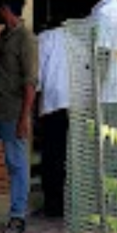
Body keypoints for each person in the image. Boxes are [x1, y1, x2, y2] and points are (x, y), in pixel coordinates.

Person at [0, 0, 38, 233]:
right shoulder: (3, 36)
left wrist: (25, 116)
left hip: (13, 111)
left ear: (5, 9)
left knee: (16, 164)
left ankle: (18, 215)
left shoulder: (25, 38)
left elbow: (30, 82)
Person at [36, 21, 70, 219]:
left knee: (52, 156)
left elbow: (38, 75)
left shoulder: (46, 38)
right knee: (69, 155)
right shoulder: (80, 39)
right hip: (77, 104)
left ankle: (52, 204)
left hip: (53, 103)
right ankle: (67, 202)